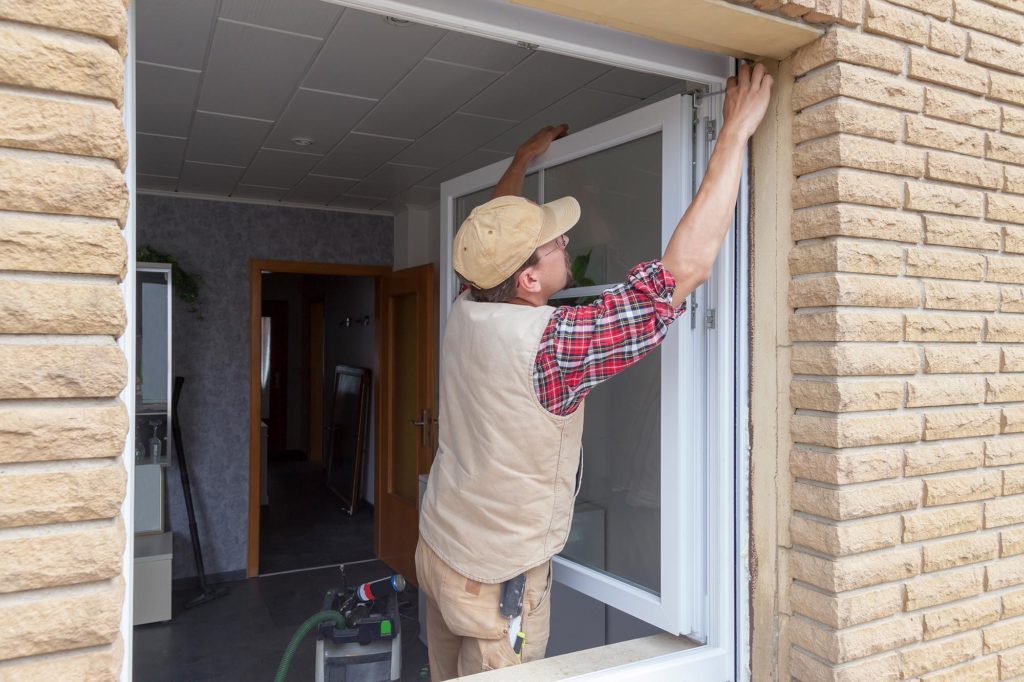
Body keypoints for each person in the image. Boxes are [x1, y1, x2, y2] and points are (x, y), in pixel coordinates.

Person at [416, 62, 774, 680]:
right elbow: (678, 277)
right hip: (497, 581)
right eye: (554, 245)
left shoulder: (469, 303)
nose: (565, 246)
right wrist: (733, 136)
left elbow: (490, 238)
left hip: (440, 547)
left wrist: (523, 160)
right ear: (527, 280)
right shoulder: (551, 345)